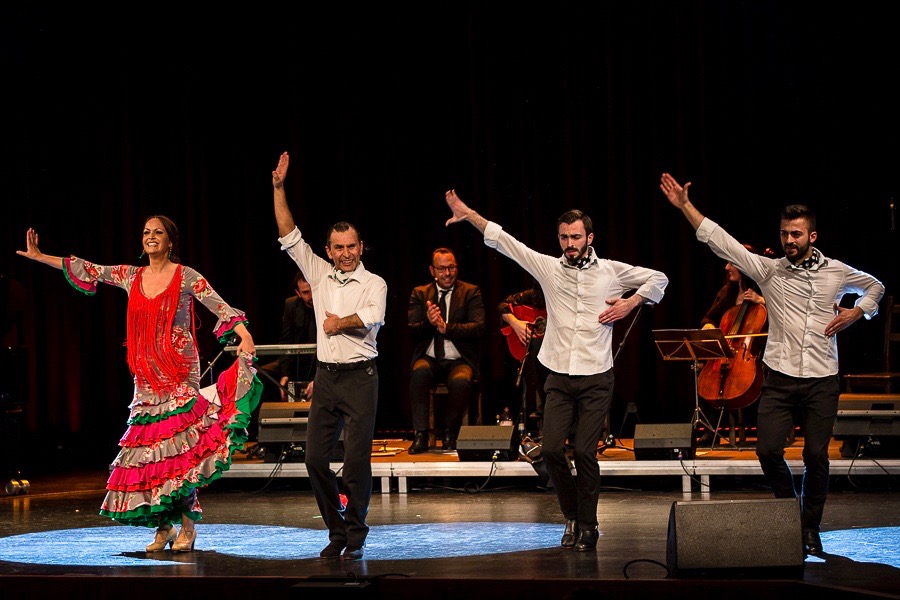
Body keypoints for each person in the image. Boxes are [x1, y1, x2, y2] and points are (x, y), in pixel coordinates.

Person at [660, 172, 885, 555]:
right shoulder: (770, 270)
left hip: (821, 379)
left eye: (796, 234)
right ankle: (789, 511)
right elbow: (722, 242)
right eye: (784, 234)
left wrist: (857, 312)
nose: (789, 241)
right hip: (780, 378)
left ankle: (809, 526)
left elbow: (875, 285)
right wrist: (685, 206)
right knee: (766, 450)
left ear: (812, 236)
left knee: (816, 454)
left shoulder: (836, 271)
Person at [16, 217, 260, 553]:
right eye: (146, 233)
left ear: (170, 241)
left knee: (180, 449)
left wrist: (244, 335)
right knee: (150, 451)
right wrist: (42, 257)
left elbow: (218, 304)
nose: (151, 237)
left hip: (179, 369)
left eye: (158, 232)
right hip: (146, 373)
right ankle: (164, 527)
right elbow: (91, 269)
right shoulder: (132, 276)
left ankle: (188, 525)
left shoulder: (185, 276)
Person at [443, 189, 668, 552]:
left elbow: (658, 278)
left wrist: (631, 302)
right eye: (564, 237)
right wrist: (469, 214)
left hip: (596, 375)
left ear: (589, 238)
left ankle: (589, 524)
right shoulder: (548, 268)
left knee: (584, 452)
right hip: (559, 375)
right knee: (549, 451)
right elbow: (506, 242)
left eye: (575, 237)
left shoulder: (611, 271)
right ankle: (571, 516)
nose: (569, 244)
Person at [272, 151, 387, 561]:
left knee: (356, 464)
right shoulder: (317, 272)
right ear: (328, 249)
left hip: (360, 377)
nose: (344, 253)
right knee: (315, 460)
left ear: (361, 246)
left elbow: (373, 318)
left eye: (350, 246)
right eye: (337, 247)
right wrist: (279, 187)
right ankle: (336, 529)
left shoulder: (375, 282)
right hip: (327, 378)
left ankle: (355, 531)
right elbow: (289, 234)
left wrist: (340, 323)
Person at [407, 247, 485, 454]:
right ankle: (421, 434)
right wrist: (429, 323)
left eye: (451, 268)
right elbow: (412, 330)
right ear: (432, 270)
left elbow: (478, 327)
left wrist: (446, 328)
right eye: (442, 269)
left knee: (461, 380)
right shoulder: (420, 293)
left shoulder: (470, 292)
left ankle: (451, 432)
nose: (447, 273)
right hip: (430, 357)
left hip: (458, 359)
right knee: (419, 372)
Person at [697, 244, 768, 447]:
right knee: (701, 371)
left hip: (758, 351)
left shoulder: (765, 288)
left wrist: (762, 300)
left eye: (732, 263)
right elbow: (709, 317)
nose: (727, 268)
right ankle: (711, 430)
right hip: (729, 350)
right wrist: (709, 325)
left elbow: (784, 310)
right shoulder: (728, 292)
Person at [498, 282, 549, 431]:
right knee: (536, 347)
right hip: (542, 359)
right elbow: (503, 305)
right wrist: (515, 323)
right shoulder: (533, 295)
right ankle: (546, 402)